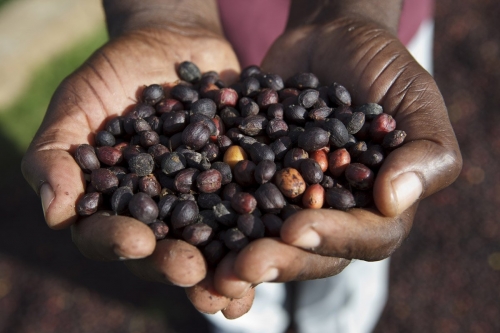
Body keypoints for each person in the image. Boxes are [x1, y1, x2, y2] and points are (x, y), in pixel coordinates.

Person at [21, 0, 461, 332]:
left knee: (348, 249)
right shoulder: (206, 144)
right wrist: (159, 14)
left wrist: (347, 12)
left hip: (368, 24)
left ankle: (339, 323)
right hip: (214, 25)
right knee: (230, 280)